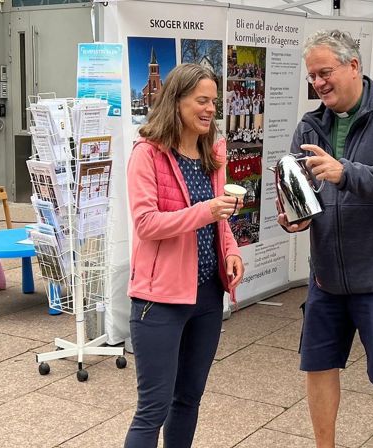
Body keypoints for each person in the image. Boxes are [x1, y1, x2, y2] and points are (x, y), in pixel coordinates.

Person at [279, 29, 373, 448]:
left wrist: (347, 173)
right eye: (312, 76)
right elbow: (300, 199)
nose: (318, 83)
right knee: (319, 367)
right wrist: (294, 218)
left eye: (325, 72)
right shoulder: (309, 125)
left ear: (354, 66)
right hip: (326, 278)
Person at [125, 63, 245, 448]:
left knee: (188, 399)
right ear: (176, 102)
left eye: (214, 101)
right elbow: (146, 224)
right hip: (159, 299)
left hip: (208, 295)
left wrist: (230, 251)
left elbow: (220, 218)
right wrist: (207, 211)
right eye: (201, 100)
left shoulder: (213, 151)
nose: (210, 109)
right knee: (153, 408)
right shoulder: (147, 154)